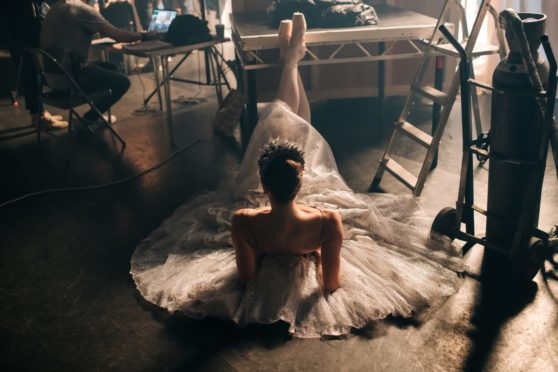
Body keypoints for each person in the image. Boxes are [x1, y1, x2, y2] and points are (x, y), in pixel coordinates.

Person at [131, 13, 465, 338]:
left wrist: (266, 250)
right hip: (299, 213)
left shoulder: (244, 222)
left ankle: (291, 58)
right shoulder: (326, 222)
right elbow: (331, 284)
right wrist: (316, 251)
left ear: (262, 184)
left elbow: (246, 279)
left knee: (280, 115)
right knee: (286, 117)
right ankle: (292, 58)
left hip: (268, 214)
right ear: (301, 180)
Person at [40, 0, 155, 126]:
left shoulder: (56, 7)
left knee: (112, 67)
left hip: (51, 78)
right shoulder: (80, 9)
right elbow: (118, 35)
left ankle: (95, 115)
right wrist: (145, 36)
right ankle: (90, 119)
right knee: (123, 82)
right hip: (71, 79)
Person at [3, 0, 67, 128]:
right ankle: (39, 117)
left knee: (35, 73)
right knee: (32, 74)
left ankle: (40, 113)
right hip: (23, 34)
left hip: (24, 32)